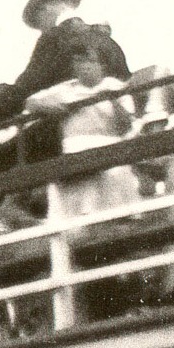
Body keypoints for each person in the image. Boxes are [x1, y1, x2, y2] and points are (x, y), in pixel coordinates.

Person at [0, 0, 132, 247]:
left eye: (39, 23)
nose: (41, 29)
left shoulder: (55, 39)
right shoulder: (107, 40)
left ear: (49, 9)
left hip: (67, 128)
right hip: (112, 127)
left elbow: (23, 88)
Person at [22, 37, 141, 217]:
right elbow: (30, 102)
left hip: (109, 148)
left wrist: (112, 100)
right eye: (78, 61)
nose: (84, 66)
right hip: (74, 151)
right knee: (69, 183)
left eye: (90, 61)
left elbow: (126, 126)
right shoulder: (65, 89)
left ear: (102, 65)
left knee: (114, 175)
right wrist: (47, 106)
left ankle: (120, 222)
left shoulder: (115, 87)